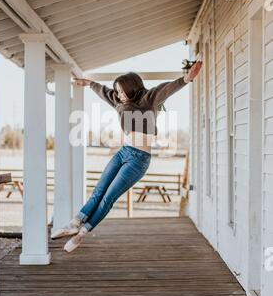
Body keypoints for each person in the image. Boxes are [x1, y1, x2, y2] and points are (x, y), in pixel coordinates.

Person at [52, 61, 203, 252]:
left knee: (108, 197)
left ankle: (82, 234)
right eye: (118, 91)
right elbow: (104, 91)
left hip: (138, 159)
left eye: (123, 91)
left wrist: (187, 79)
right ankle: (74, 223)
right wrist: (89, 84)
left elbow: (167, 89)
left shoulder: (149, 99)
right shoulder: (119, 101)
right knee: (98, 190)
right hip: (124, 152)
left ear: (133, 89)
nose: (119, 95)